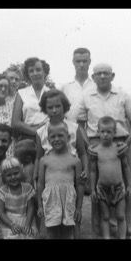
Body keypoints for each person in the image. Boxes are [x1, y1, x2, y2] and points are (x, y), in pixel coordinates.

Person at [76, 62, 131, 239]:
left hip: (120, 144)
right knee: (98, 192)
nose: (103, 76)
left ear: (112, 76)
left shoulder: (123, 95)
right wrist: (88, 144)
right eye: (98, 74)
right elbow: (80, 124)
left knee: (123, 189)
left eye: (106, 73)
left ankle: (129, 232)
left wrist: (127, 143)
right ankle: (100, 234)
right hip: (95, 146)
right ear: (94, 77)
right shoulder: (86, 96)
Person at [33, 88, 88, 239]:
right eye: (50, 107)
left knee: (73, 214)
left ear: (64, 107)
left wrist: (86, 170)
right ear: (45, 109)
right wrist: (36, 172)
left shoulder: (74, 128)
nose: (54, 110)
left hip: (72, 173)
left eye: (58, 106)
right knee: (52, 215)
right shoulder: (41, 131)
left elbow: (83, 152)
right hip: (51, 174)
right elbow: (39, 156)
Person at [37, 121, 85, 239]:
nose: (56, 139)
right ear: (48, 139)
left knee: (68, 232)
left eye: (60, 135)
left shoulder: (75, 161)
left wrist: (78, 208)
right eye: (53, 136)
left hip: (68, 201)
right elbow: (40, 183)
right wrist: (39, 205)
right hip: (51, 201)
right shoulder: (44, 160)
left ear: (68, 137)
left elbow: (79, 185)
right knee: (51, 232)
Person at [89, 116, 131, 239]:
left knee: (120, 216)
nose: (105, 135)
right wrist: (92, 189)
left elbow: (126, 167)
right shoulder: (95, 151)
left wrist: (129, 185)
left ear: (115, 133)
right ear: (98, 132)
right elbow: (93, 171)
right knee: (105, 216)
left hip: (119, 187)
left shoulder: (119, 148)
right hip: (102, 189)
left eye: (109, 132)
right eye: (102, 131)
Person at [0, 157, 38, 239]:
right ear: (3, 177)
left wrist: (28, 224)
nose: (13, 177)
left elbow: (31, 208)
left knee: (28, 236)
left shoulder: (27, 188)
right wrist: (11, 225)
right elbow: (0, 211)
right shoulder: (2, 191)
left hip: (26, 219)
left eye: (16, 173)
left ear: (21, 172)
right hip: (9, 222)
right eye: (9, 175)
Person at [11, 57, 50, 144]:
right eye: (31, 71)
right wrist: (36, 132)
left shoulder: (52, 93)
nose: (35, 73)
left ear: (45, 72)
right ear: (28, 74)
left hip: (49, 136)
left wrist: (45, 131)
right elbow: (15, 122)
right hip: (28, 137)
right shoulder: (21, 93)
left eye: (38, 70)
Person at [60, 47, 96, 122]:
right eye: (78, 61)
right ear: (73, 62)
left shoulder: (96, 86)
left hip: (93, 130)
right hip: (70, 129)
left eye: (84, 61)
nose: (81, 64)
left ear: (89, 62)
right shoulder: (65, 87)